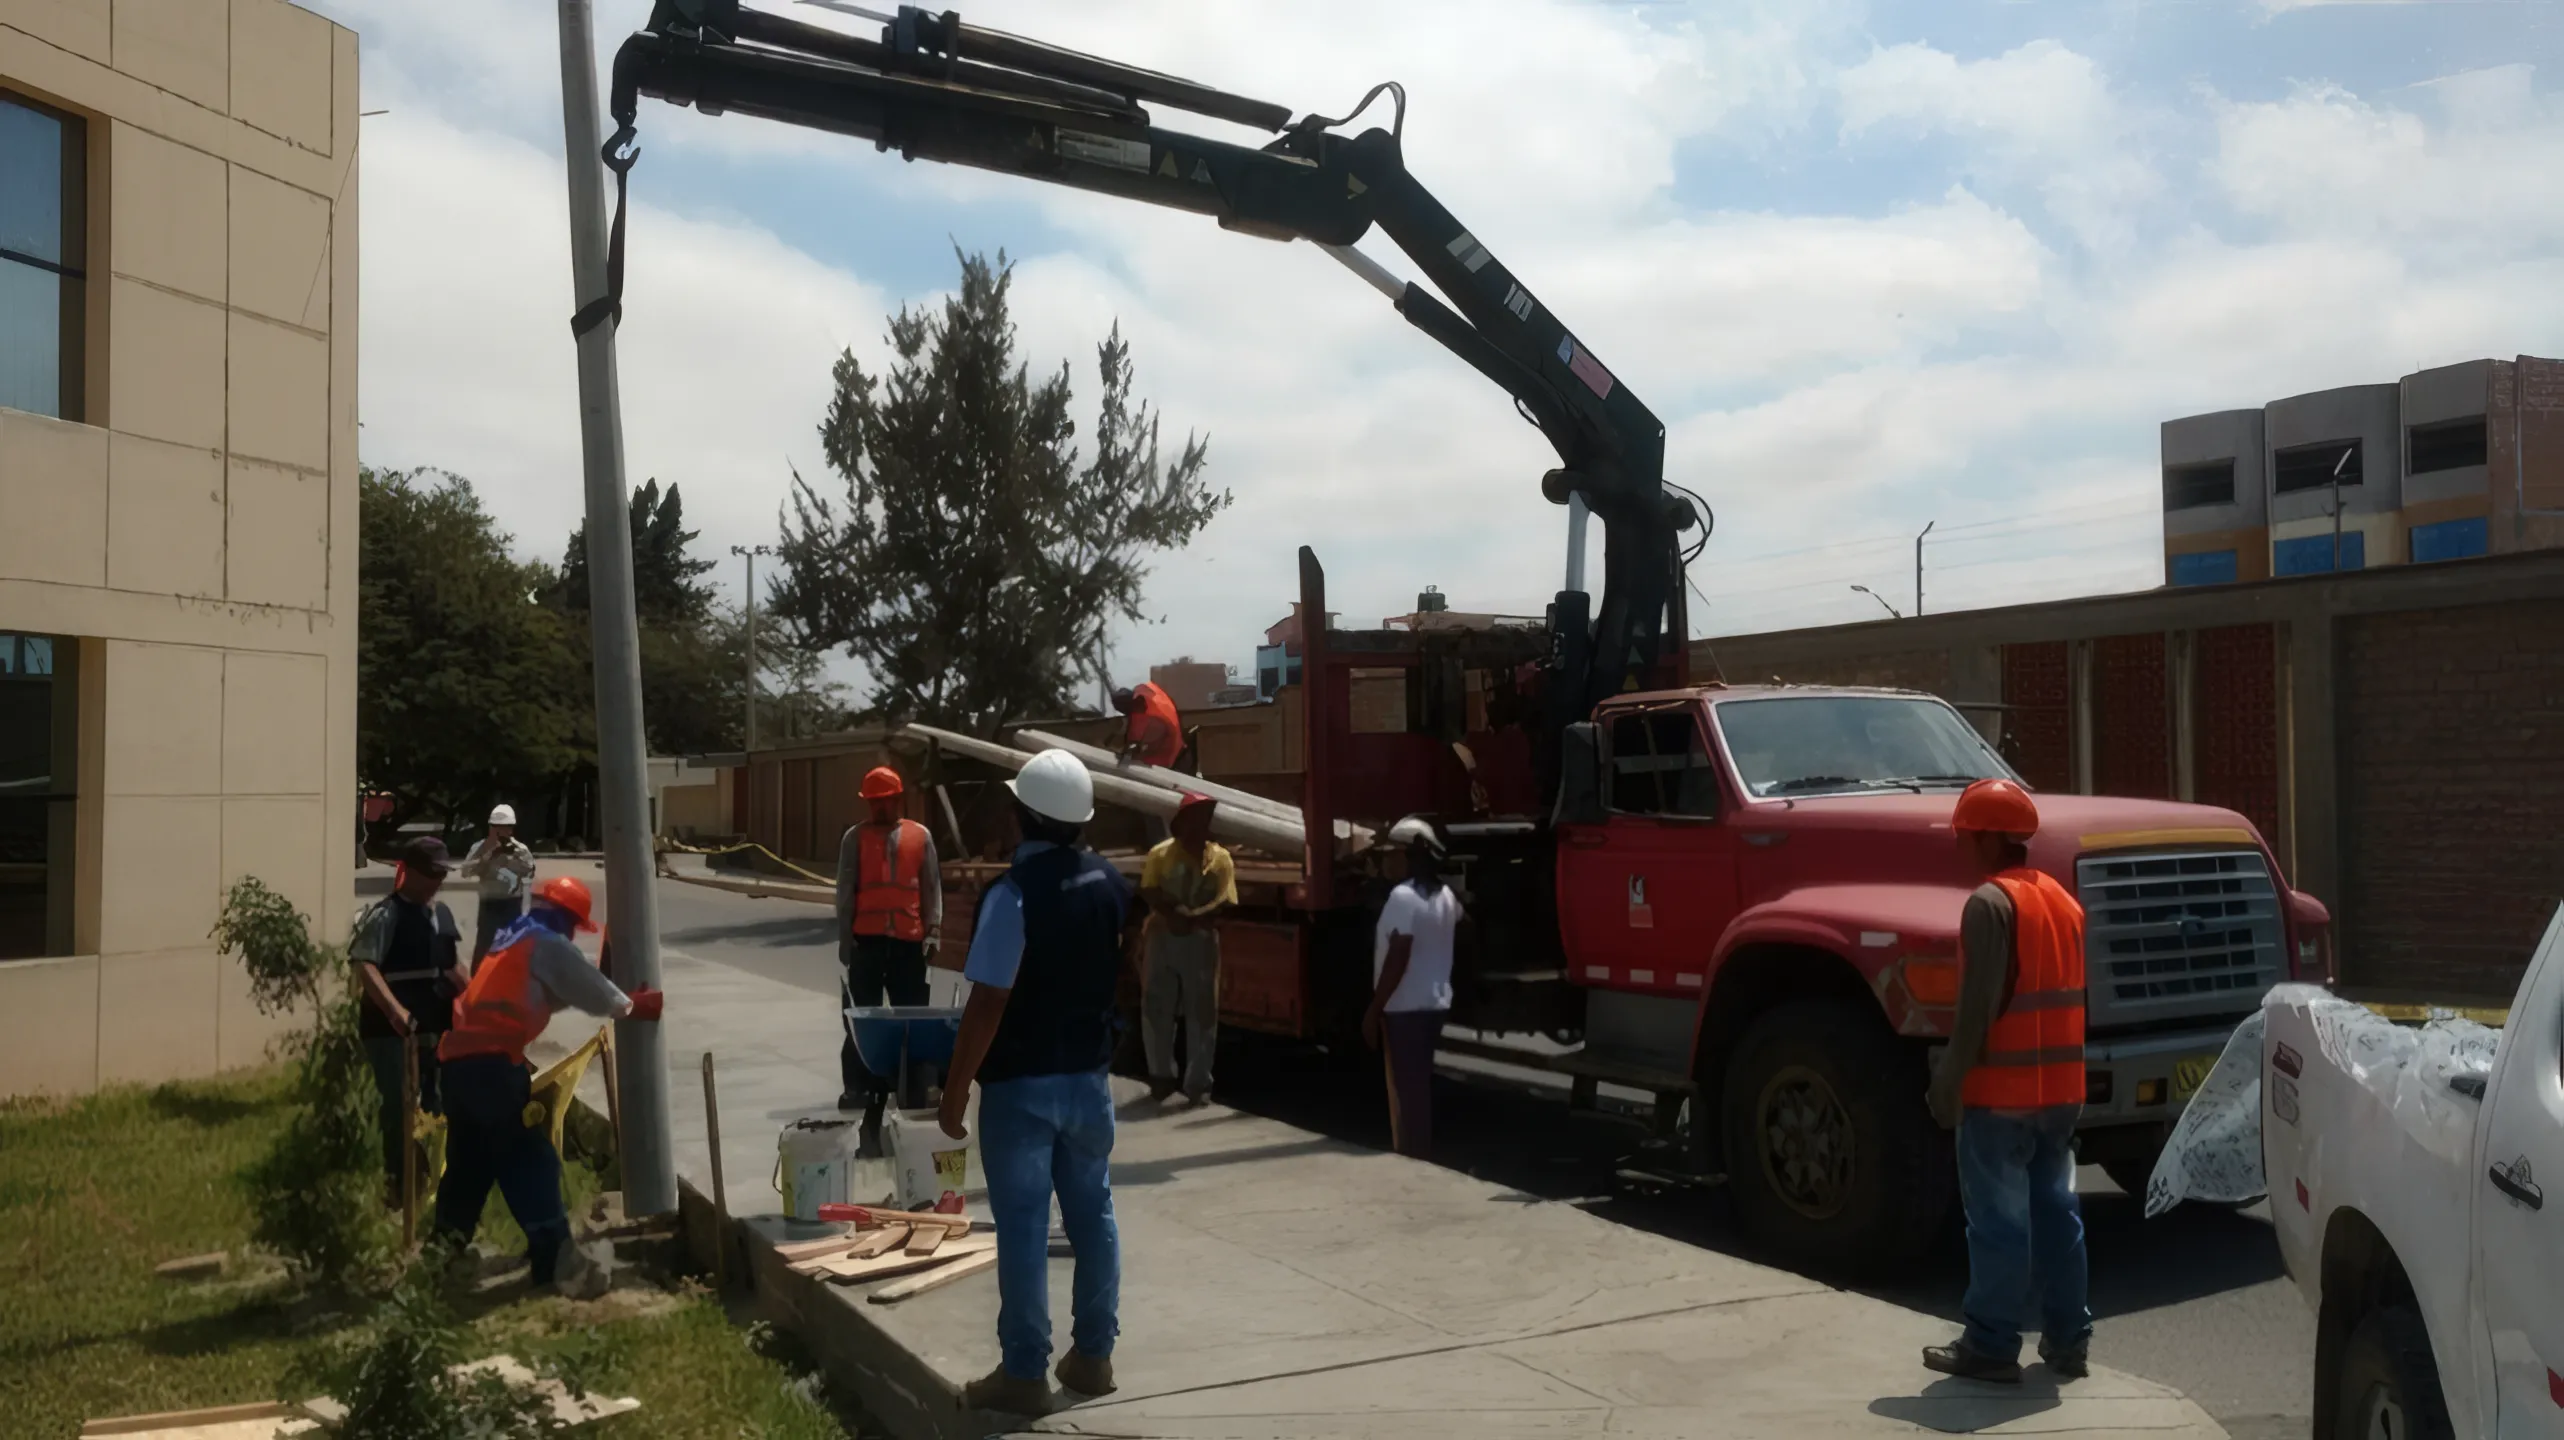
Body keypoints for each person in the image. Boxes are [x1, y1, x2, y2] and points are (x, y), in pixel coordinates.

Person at [939, 749, 1131, 1416]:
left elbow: (988, 1001)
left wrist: (955, 1088)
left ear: (1022, 816)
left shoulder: (1013, 894)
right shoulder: (1109, 882)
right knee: (1093, 1215)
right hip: (1089, 1080)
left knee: (1022, 1226)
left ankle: (1024, 1373)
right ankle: (1094, 1358)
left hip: (1021, 1085)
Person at [1923, 777, 2093, 1384]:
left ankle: (1992, 1346)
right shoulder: (2062, 902)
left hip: (2000, 1096)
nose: (1960, 846)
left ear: (1992, 839)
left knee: (1999, 1223)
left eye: (1967, 835)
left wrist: (1947, 1082)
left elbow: (1978, 1010)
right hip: (2060, 1094)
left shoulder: (1989, 905)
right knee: (2057, 1215)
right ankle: (2069, 1341)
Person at [434, 875, 664, 1295]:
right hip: (490, 1069)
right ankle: (555, 1257)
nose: (573, 935)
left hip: (458, 1066)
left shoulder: (511, 938)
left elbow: (553, 991)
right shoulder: (547, 944)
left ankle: (442, 1254)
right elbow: (592, 991)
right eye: (575, 926)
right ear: (566, 919)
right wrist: (633, 1006)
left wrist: (612, 991)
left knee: (470, 1165)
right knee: (528, 1160)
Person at [349, 836, 470, 1204]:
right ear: (411, 872)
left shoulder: (442, 914)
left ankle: (431, 1180)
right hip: (391, 1030)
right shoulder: (386, 914)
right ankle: (399, 1185)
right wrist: (393, 1011)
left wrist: (480, 1002)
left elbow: (453, 967)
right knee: (400, 1104)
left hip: (435, 1025)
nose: (438, 882)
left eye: (442, 874)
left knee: (436, 1103)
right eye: (432, 874)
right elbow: (364, 964)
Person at [834, 765, 944, 1149]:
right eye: (873, 802)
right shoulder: (854, 838)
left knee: (912, 1020)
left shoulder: (920, 836)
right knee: (861, 1020)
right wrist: (845, 940)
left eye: (885, 801)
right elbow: (845, 890)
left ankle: (914, 1086)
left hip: (908, 945)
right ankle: (860, 1088)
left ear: (899, 799)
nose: (879, 808)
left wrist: (933, 932)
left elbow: (931, 887)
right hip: (866, 943)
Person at [1363, 817, 1462, 1159]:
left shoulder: (1402, 897)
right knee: (1419, 1086)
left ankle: (1412, 1155)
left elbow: (1399, 955)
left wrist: (1374, 1009)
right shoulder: (1446, 896)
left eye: (1392, 854)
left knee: (1405, 1092)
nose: (1386, 861)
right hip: (1434, 1004)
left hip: (1404, 1008)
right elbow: (1465, 925)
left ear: (1410, 857)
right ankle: (1419, 1150)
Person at [1138, 792, 1236, 1104]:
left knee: (1202, 1011)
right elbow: (1149, 890)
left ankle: (1198, 1084)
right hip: (1163, 935)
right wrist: (1173, 915)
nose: (1200, 824)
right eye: (1194, 818)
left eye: (1205, 818)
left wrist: (1193, 917)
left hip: (1200, 938)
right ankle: (1161, 1077)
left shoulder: (1220, 858)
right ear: (1180, 823)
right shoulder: (1161, 854)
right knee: (1157, 1006)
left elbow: (1226, 900)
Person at [459, 804, 538, 963]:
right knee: (484, 947)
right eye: (498, 827)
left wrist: (514, 858)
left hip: (511, 903)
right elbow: (465, 871)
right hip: (489, 903)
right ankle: (478, 975)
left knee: (512, 947)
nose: (502, 832)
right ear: (491, 828)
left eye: (507, 827)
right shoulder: (480, 847)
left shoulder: (520, 849)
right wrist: (487, 856)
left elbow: (530, 871)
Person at [1112, 682, 1184, 770]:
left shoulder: (1154, 721)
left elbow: (1145, 747)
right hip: (1156, 748)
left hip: (1160, 761)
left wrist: (1131, 755)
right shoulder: (1145, 694)